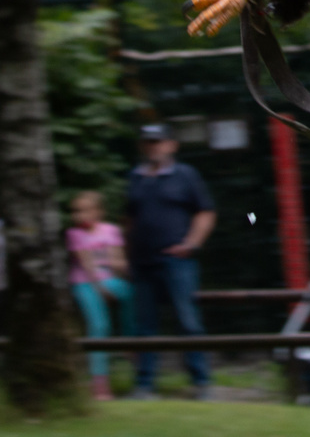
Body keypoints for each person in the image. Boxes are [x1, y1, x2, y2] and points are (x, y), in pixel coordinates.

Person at [126, 122, 217, 399]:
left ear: (171, 145)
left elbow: (206, 212)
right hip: (143, 262)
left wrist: (191, 244)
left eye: (158, 141)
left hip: (177, 262)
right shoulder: (136, 177)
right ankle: (144, 384)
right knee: (145, 325)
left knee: (188, 321)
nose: (153, 147)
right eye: (148, 142)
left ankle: (201, 382)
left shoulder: (186, 175)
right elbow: (128, 217)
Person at [66, 191, 135, 401]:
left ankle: (129, 343)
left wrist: (121, 272)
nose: (80, 215)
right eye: (76, 211)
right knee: (99, 326)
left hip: (109, 279)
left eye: (85, 210)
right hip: (85, 283)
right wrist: (101, 288)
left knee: (133, 295)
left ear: (99, 212)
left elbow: (118, 261)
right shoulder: (74, 234)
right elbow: (86, 265)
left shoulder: (111, 230)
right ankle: (99, 382)